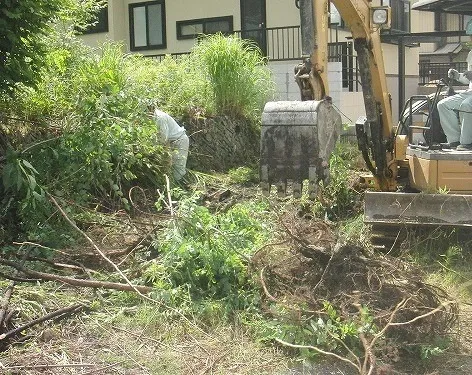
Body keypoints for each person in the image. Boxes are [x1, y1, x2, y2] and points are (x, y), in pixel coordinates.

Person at [437, 49, 472, 151]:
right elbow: (468, 77)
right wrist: (458, 76)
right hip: (470, 92)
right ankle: (454, 140)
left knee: (466, 105)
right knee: (443, 105)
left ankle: (467, 143)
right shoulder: (471, 53)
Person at [153, 108, 189, 181]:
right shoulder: (152, 117)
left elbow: (163, 138)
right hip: (170, 143)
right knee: (169, 168)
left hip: (179, 141)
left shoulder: (160, 118)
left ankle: (180, 187)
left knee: (178, 169)